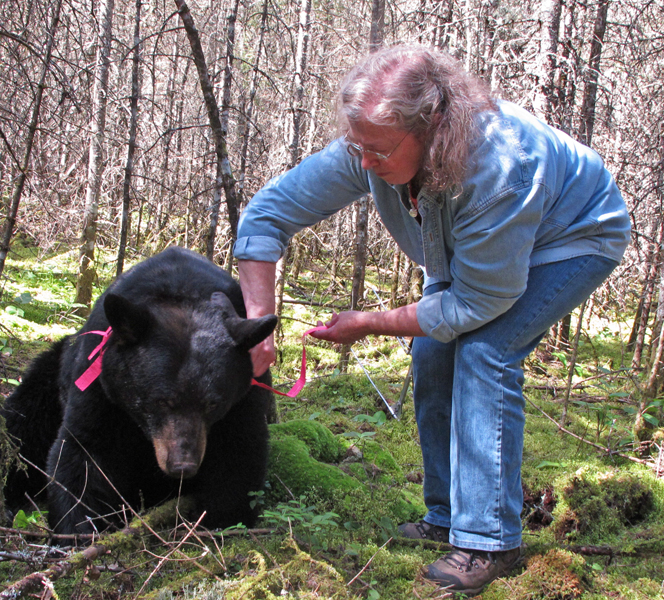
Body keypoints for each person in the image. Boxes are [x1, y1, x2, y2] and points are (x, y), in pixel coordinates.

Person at [233, 44, 630, 596]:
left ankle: (489, 540)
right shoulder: (373, 143)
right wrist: (260, 322)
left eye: (378, 152)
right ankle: (446, 515)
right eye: (358, 147)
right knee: (432, 350)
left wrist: (370, 322)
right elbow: (267, 214)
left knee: (485, 352)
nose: (364, 164)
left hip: (573, 235)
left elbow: (474, 306)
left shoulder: (497, 169)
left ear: (432, 125)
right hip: (475, 253)